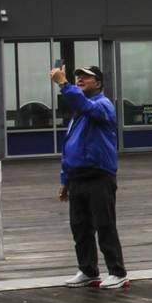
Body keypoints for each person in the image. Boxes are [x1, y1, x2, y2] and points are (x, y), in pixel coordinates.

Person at [55, 63, 127, 290]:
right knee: (80, 227)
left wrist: (64, 84)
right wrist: (65, 180)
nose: (80, 80)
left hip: (99, 175)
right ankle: (88, 270)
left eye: (86, 77)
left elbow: (85, 106)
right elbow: (69, 148)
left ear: (99, 83)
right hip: (78, 177)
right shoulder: (79, 113)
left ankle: (117, 272)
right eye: (77, 77)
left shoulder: (103, 106)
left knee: (105, 224)